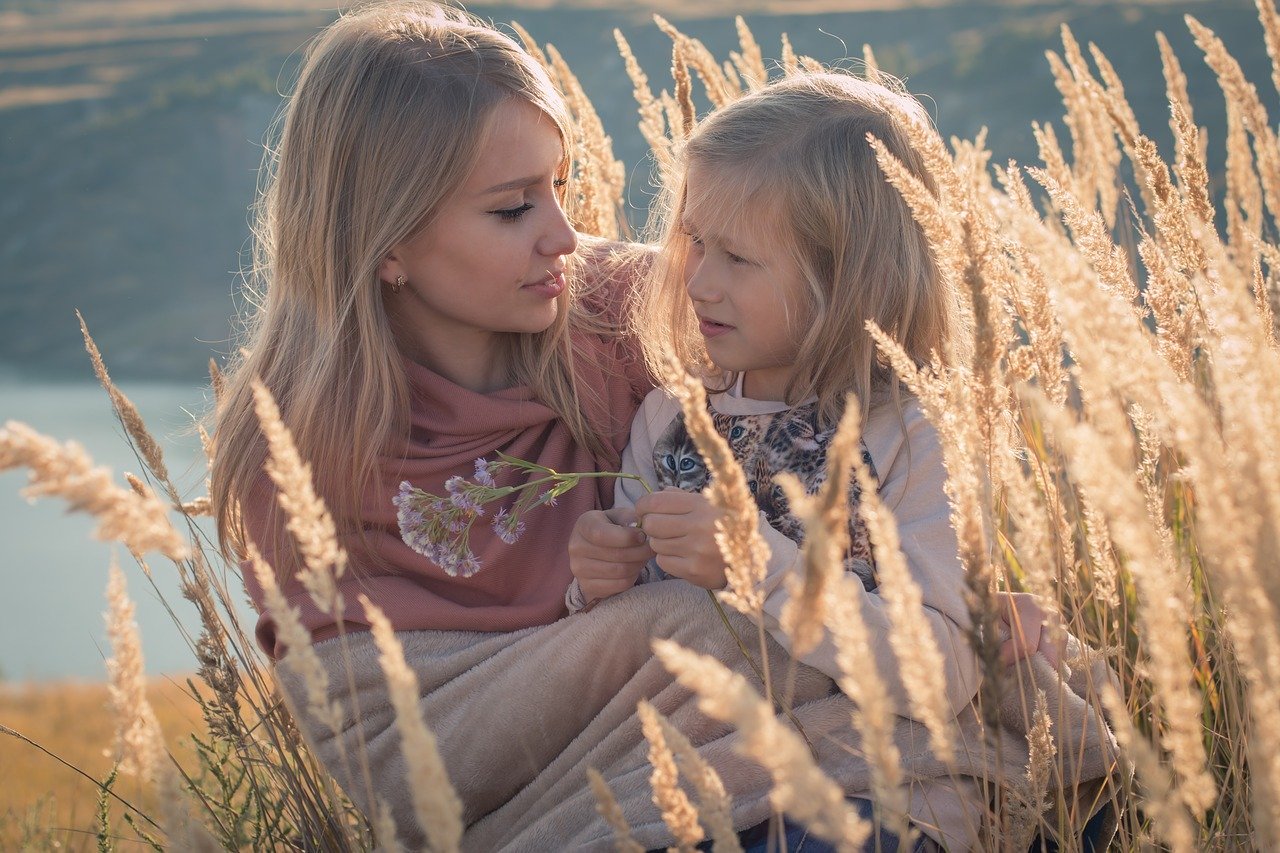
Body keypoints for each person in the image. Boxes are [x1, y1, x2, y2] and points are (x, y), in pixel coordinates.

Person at [209, 3, 1107, 850]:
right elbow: (374, 738)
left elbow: (843, 397)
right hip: (489, 725)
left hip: (712, 690)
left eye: (560, 187)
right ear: (386, 238)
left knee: (762, 634)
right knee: (692, 625)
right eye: (513, 207)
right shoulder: (294, 440)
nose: (566, 234)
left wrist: (936, 589)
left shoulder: (622, 311)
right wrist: (608, 603)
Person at [566, 73, 1113, 851]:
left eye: (739, 258)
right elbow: (631, 645)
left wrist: (761, 564)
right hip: (714, 770)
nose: (697, 278)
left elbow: (942, 671)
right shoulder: (672, 421)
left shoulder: (909, 438)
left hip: (879, 784)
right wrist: (595, 580)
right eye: (694, 241)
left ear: (847, 275)